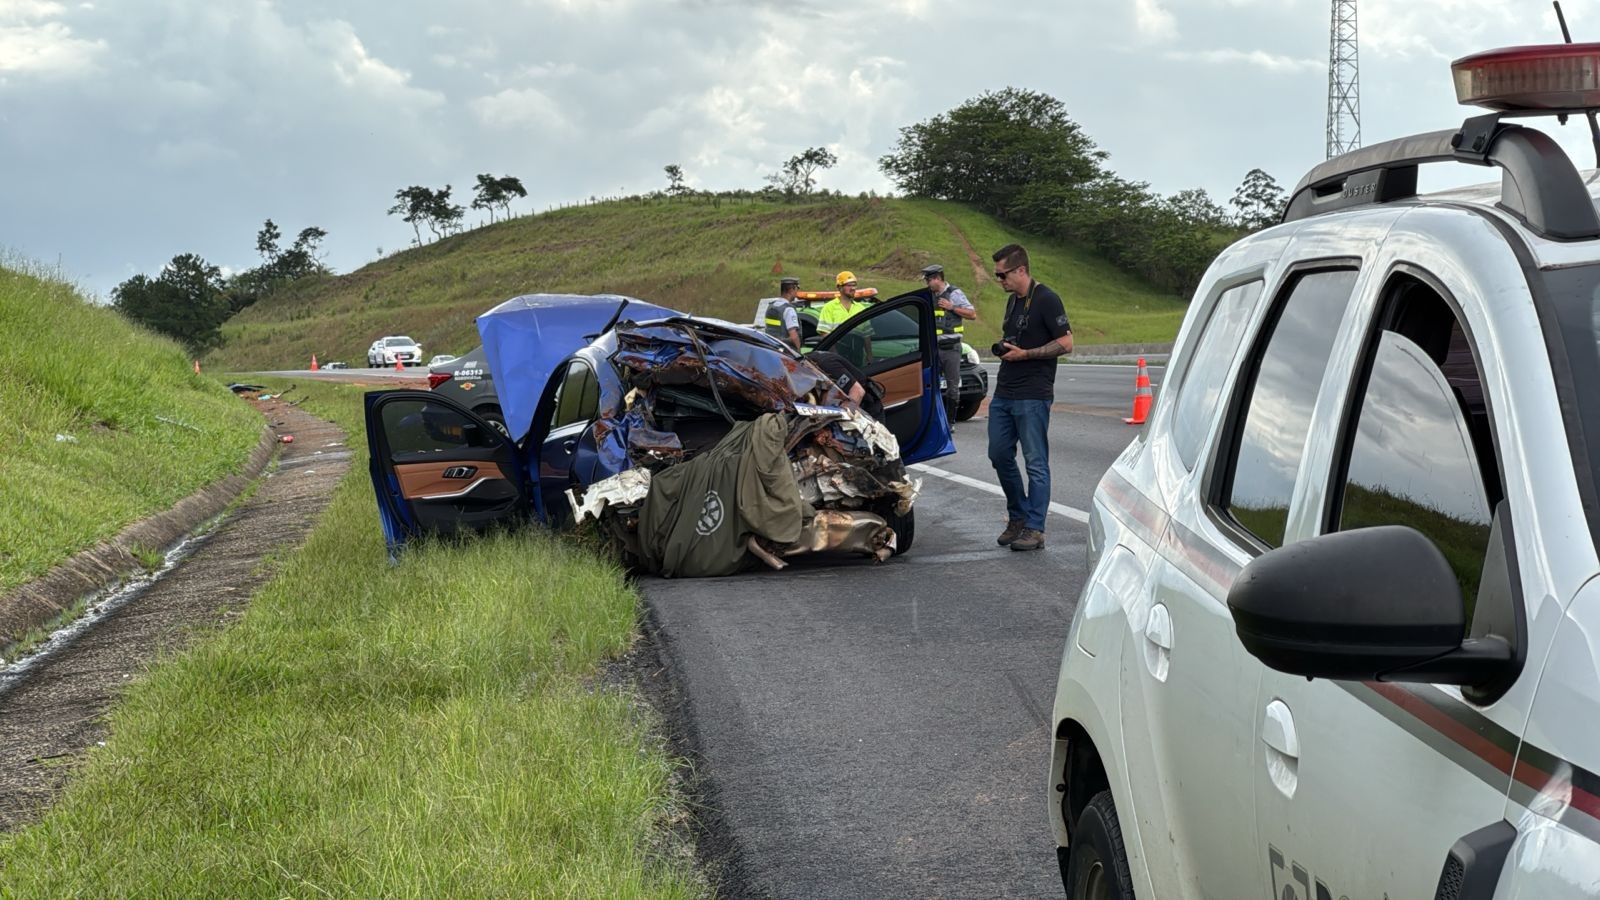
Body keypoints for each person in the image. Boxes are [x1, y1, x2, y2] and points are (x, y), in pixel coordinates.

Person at [988, 243, 1072, 552]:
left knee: (1035, 462)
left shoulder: (1047, 299)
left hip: (1033, 394)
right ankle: (1018, 517)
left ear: (1020, 270)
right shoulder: (1012, 302)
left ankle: (1035, 528)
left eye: (1002, 275)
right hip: (1004, 391)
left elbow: (1066, 342)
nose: (1000, 281)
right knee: (998, 454)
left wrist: (1027, 354)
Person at [922, 264, 977, 422]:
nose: (927, 283)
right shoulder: (928, 295)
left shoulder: (954, 293)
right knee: (930, 385)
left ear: (937, 279)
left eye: (928, 280)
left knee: (953, 386)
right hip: (933, 348)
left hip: (951, 348)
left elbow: (972, 314)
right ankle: (934, 420)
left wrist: (952, 307)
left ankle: (950, 420)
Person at [806, 350, 885, 421]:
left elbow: (858, 392)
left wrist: (841, 419)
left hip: (867, 407)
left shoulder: (826, 364)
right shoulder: (807, 362)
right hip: (847, 404)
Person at [816, 271, 865, 335]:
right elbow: (825, 334)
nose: (853, 288)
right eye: (849, 285)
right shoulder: (829, 308)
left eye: (854, 285)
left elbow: (867, 335)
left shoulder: (861, 308)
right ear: (839, 287)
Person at [763, 276, 804, 350]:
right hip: (785, 352)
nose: (797, 292)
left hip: (771, 348)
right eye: (797, 289)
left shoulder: (771, 306)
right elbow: (794, 336)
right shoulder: (788, 309)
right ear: (792, 290)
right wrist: (798, 353)